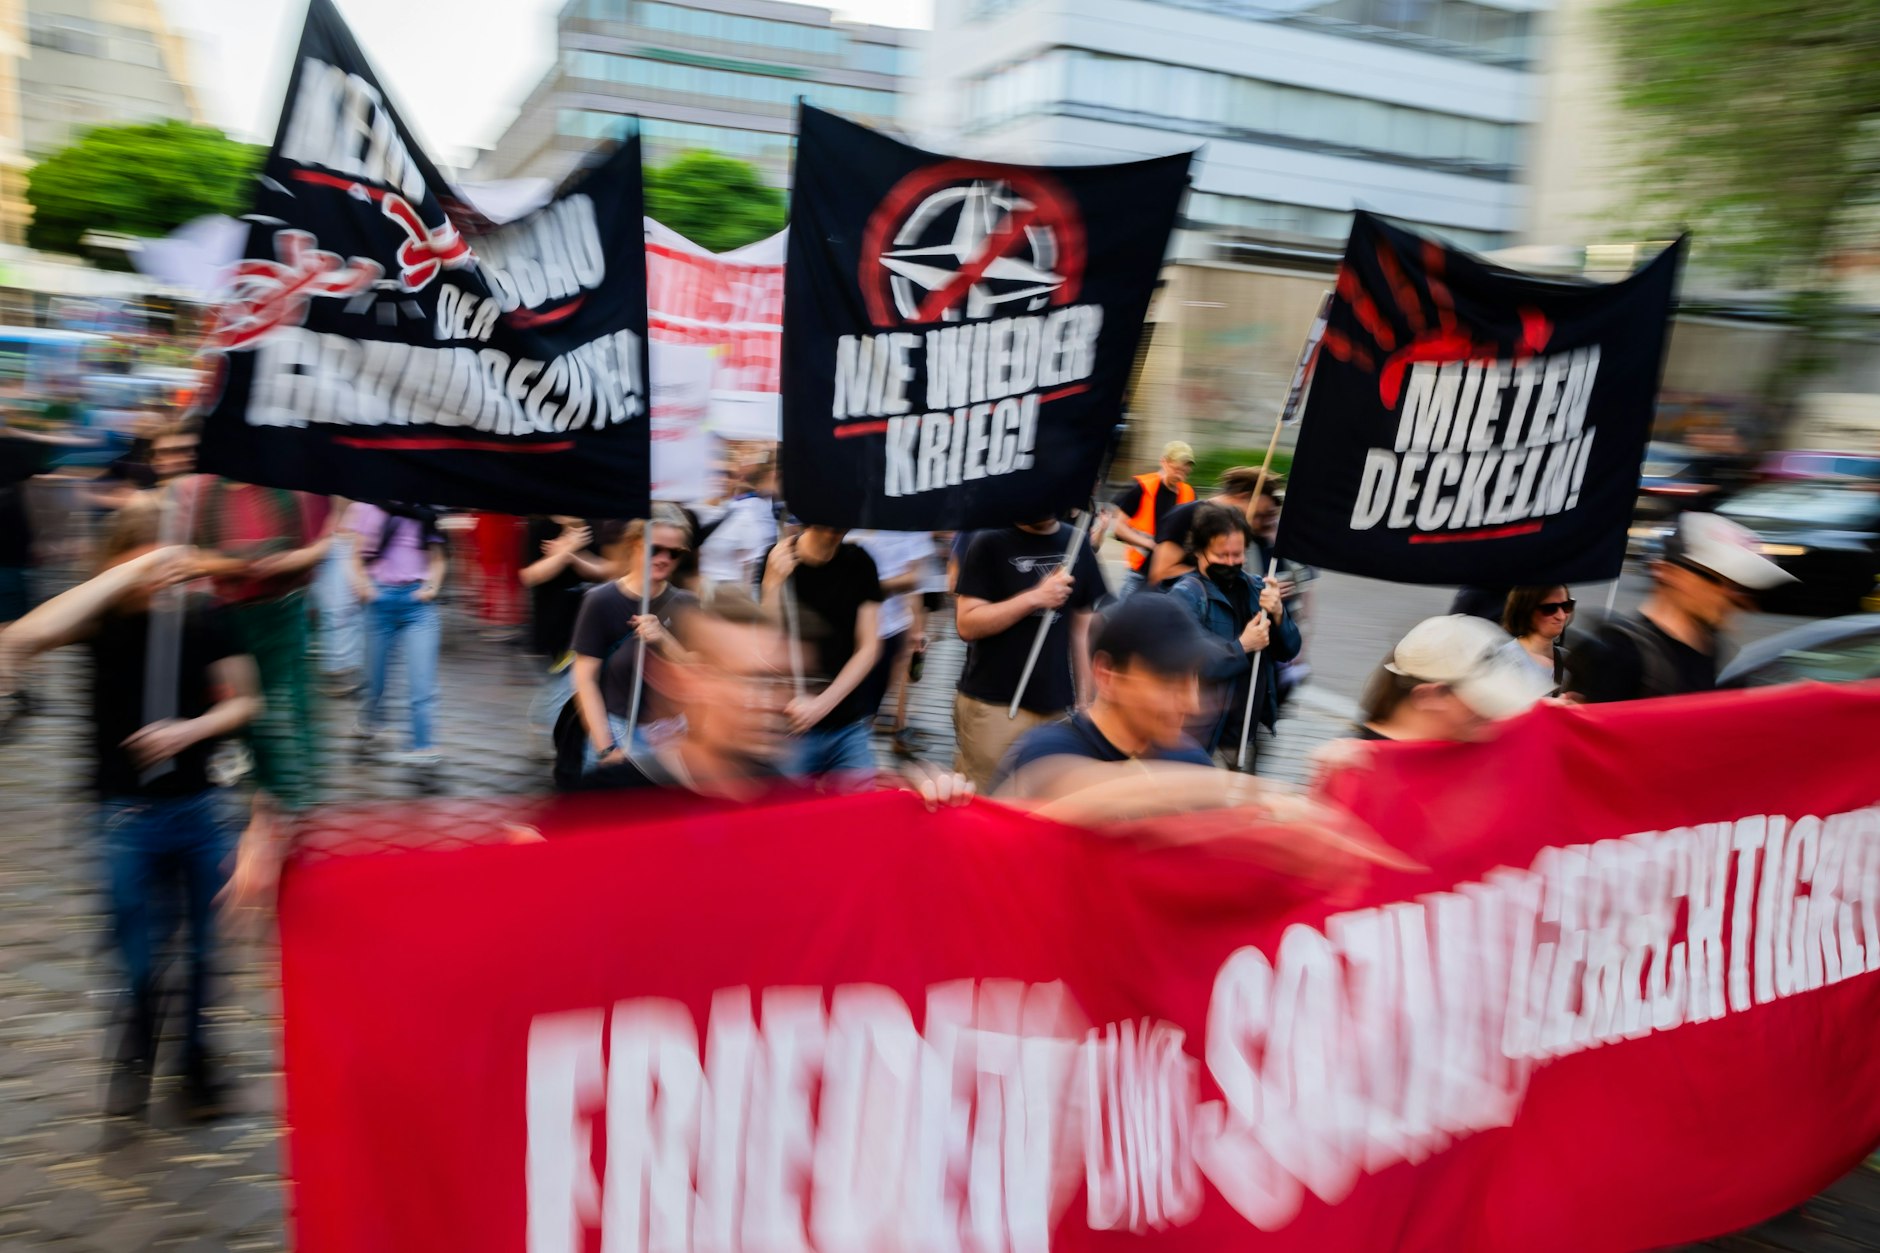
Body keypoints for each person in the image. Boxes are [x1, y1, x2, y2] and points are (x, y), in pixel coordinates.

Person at [0, 498, 263, 1119]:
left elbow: (245, 702)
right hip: (123, 818)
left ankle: (196, 1069)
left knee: (204, 955)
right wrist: (120, 578)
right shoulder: (101, 620)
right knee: (138, 955)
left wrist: (189, 730)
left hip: (201, 811)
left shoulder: (203, 617)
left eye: (165, 562)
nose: (158, 577)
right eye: (141, 562)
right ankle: (139, 1037)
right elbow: (20, 637)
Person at [569, 588, 971, 808]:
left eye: (776, 682)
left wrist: (925, 811)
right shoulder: (608, 804)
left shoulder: (794, 804)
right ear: (687, 681)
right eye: (747, 680)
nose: (769, 701)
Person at [187, 479, 331, 816]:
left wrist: (287, 561)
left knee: (287, 705)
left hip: (282, 611)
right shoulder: (205, 493)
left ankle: (298, 796)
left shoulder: (290, 489)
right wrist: (238, 564)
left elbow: (323, 545)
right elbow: (191, 557)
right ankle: (267, 790)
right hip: (230, 615)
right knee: (246, 712)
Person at [993, 593, 1214, 796]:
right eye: (1169, 681)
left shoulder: (1191, 760)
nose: (1192, 703)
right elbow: (1062, 792)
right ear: (1106, 675)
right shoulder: (1047, 752)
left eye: (1194, 677)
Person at [1569, 511, 1796, 703]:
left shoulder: (1715, 649)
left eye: (1738, 585)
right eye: (1716, 579)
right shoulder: (1618, 653)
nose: (1731, 595)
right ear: (1669, 572)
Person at [951, 514, 1105, 791]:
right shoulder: (988, 540)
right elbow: (967, 624)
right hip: (993, 705)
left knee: (1043, 804)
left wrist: (1086, 702)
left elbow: (1082, 631)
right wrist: (1035, 597)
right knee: (988, 803)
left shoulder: (1076, 541)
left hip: (1056, 706)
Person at [1167, 503, 1301, 765]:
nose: (1230, 562)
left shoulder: (1256, 587)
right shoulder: (1186, 595)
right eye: (1221, 554)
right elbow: (1187, 663)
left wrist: (1278, 614)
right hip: (1202, 737)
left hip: (1246, 733)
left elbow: (1289, 649)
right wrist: (1242, 647)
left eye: (1237, 554)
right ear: (1199, 551)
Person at [569, 517, 698, 773]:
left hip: (673, 734)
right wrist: (605, 747)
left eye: (674, 553)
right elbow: (584, 679)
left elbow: (697, 670)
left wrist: (664, 639)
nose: (664, 558)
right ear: (634, 545)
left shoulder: (687, 603)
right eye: (655, 549)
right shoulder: (601, 601)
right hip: (620, 730)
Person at [761, 524, 883, 782]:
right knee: (782, 812)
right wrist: (771, 585)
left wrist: (820, 705)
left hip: (846, 724)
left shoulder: (860, 561)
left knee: (862, 811)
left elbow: (868, 648)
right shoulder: (776, 557)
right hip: (790, 727)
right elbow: (766, 645)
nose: (835, 526)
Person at [346, 501, 449, 764]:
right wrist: (362, 585)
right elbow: (356, 556)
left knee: (422, 680)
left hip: (418, 604)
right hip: (380, 601)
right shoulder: (368, 508)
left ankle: (422, 744)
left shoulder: (426, 512)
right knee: (374, 679)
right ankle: (371, 721)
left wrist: (432, 588)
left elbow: (438, 559)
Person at [1353, 615, 1550, 742]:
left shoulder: (1465, 747)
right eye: (1482, 700)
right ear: (1427, 696)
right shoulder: (1358, 771)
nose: (1493, 715)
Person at [847, 529, 931, 745]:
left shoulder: (907, 521)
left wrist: (917, 629)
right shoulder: (848, 520)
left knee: (868, 709)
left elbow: (915, 578)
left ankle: (897, 729)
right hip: (848, 628)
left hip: (891, 628)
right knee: (853, 710)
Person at [1145, 466, 1271, 589]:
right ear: (1243, 497)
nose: (1259, 524)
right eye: (1258, 515)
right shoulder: (1187, 515)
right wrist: (1218, 573)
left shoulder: (1237, 526)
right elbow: (1159, 574)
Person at [1109, 440, 1196, 596]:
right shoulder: (1141, 487)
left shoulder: (1189, 493)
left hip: (1172, 575)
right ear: (1163, 462)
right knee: (1124, 618)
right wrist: (1151, 544)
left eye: (1185, 471)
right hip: (1140, 573)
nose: (1180, 476)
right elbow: (1119, 528)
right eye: (1176, 469)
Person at [697, 458, 778, 592]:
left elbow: (749, 569)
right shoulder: (691, 513)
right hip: (694, 593)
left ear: (736, 481)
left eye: (729, 475)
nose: (722, 479)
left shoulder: (745, 515)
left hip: (727, 596)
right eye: (714, 473)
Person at [1500, 584, 1574, 691]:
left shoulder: (1570, 660)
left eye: (1567, 605)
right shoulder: (1505, 659)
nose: (1561, 616)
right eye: (1549, 608)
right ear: (1526, 611)